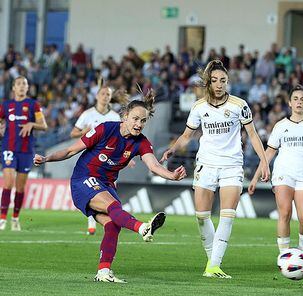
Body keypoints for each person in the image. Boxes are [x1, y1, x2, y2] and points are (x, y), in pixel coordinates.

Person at [34, 89, 187, 283]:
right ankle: (142, 228)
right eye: (135, 119)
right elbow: (71, 150)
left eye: (143, 121)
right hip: (84, 179)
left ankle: (104, 272)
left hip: (106, 185)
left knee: (113, 225)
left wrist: (171, 175)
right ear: (124, 117)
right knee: (114, 208)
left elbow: (154, 165)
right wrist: (47, 158)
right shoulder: (105, 129)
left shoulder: (141, 143)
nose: (139, 124)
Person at [161, 60, 270, 279]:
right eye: (214, 80)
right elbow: (186, 135)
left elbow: (253, 135)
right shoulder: (199, 107)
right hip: (206, 164)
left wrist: (264, 161)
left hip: (232, 165)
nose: (219, 84)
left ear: (228, 82)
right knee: (202, 217)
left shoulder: (239, 105)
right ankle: (212, 262)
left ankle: (214, 266)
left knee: (227, 216)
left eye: (223, 80)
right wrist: (172, 150)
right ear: (208, 83)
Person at [248, 85, 303, 264]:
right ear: (290, 103)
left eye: (302, 99)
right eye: (296, 99)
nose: (299, 102)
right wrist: (255, 177)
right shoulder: (280, 126)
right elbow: (268, 153)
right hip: (283, 173)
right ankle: (284, 255)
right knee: (284, 213)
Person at [71, 80, 127, 235]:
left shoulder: (115, 117)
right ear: (96, 96)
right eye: (103, 93)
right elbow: (73, 133)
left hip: (110, 162)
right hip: (91, 160)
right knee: (92, 189)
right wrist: (84, 132)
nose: (105, 96)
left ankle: (108, 218)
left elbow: (123, 139)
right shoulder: (87, 114)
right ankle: (92, 220)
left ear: (111, 97)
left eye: (108, 94)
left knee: (108, 190)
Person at [0, 76, 48, 231]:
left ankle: (15, 218)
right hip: (8, 147)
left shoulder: (33, 105)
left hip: (26, 151)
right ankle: (2, 219)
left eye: (24, 84)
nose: (21, 86)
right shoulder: (6, 105)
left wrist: (31, 124)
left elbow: (44, 125)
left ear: (27, 88)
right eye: (19, 84)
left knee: (20, 188)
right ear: (13, 87)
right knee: (8, 182)